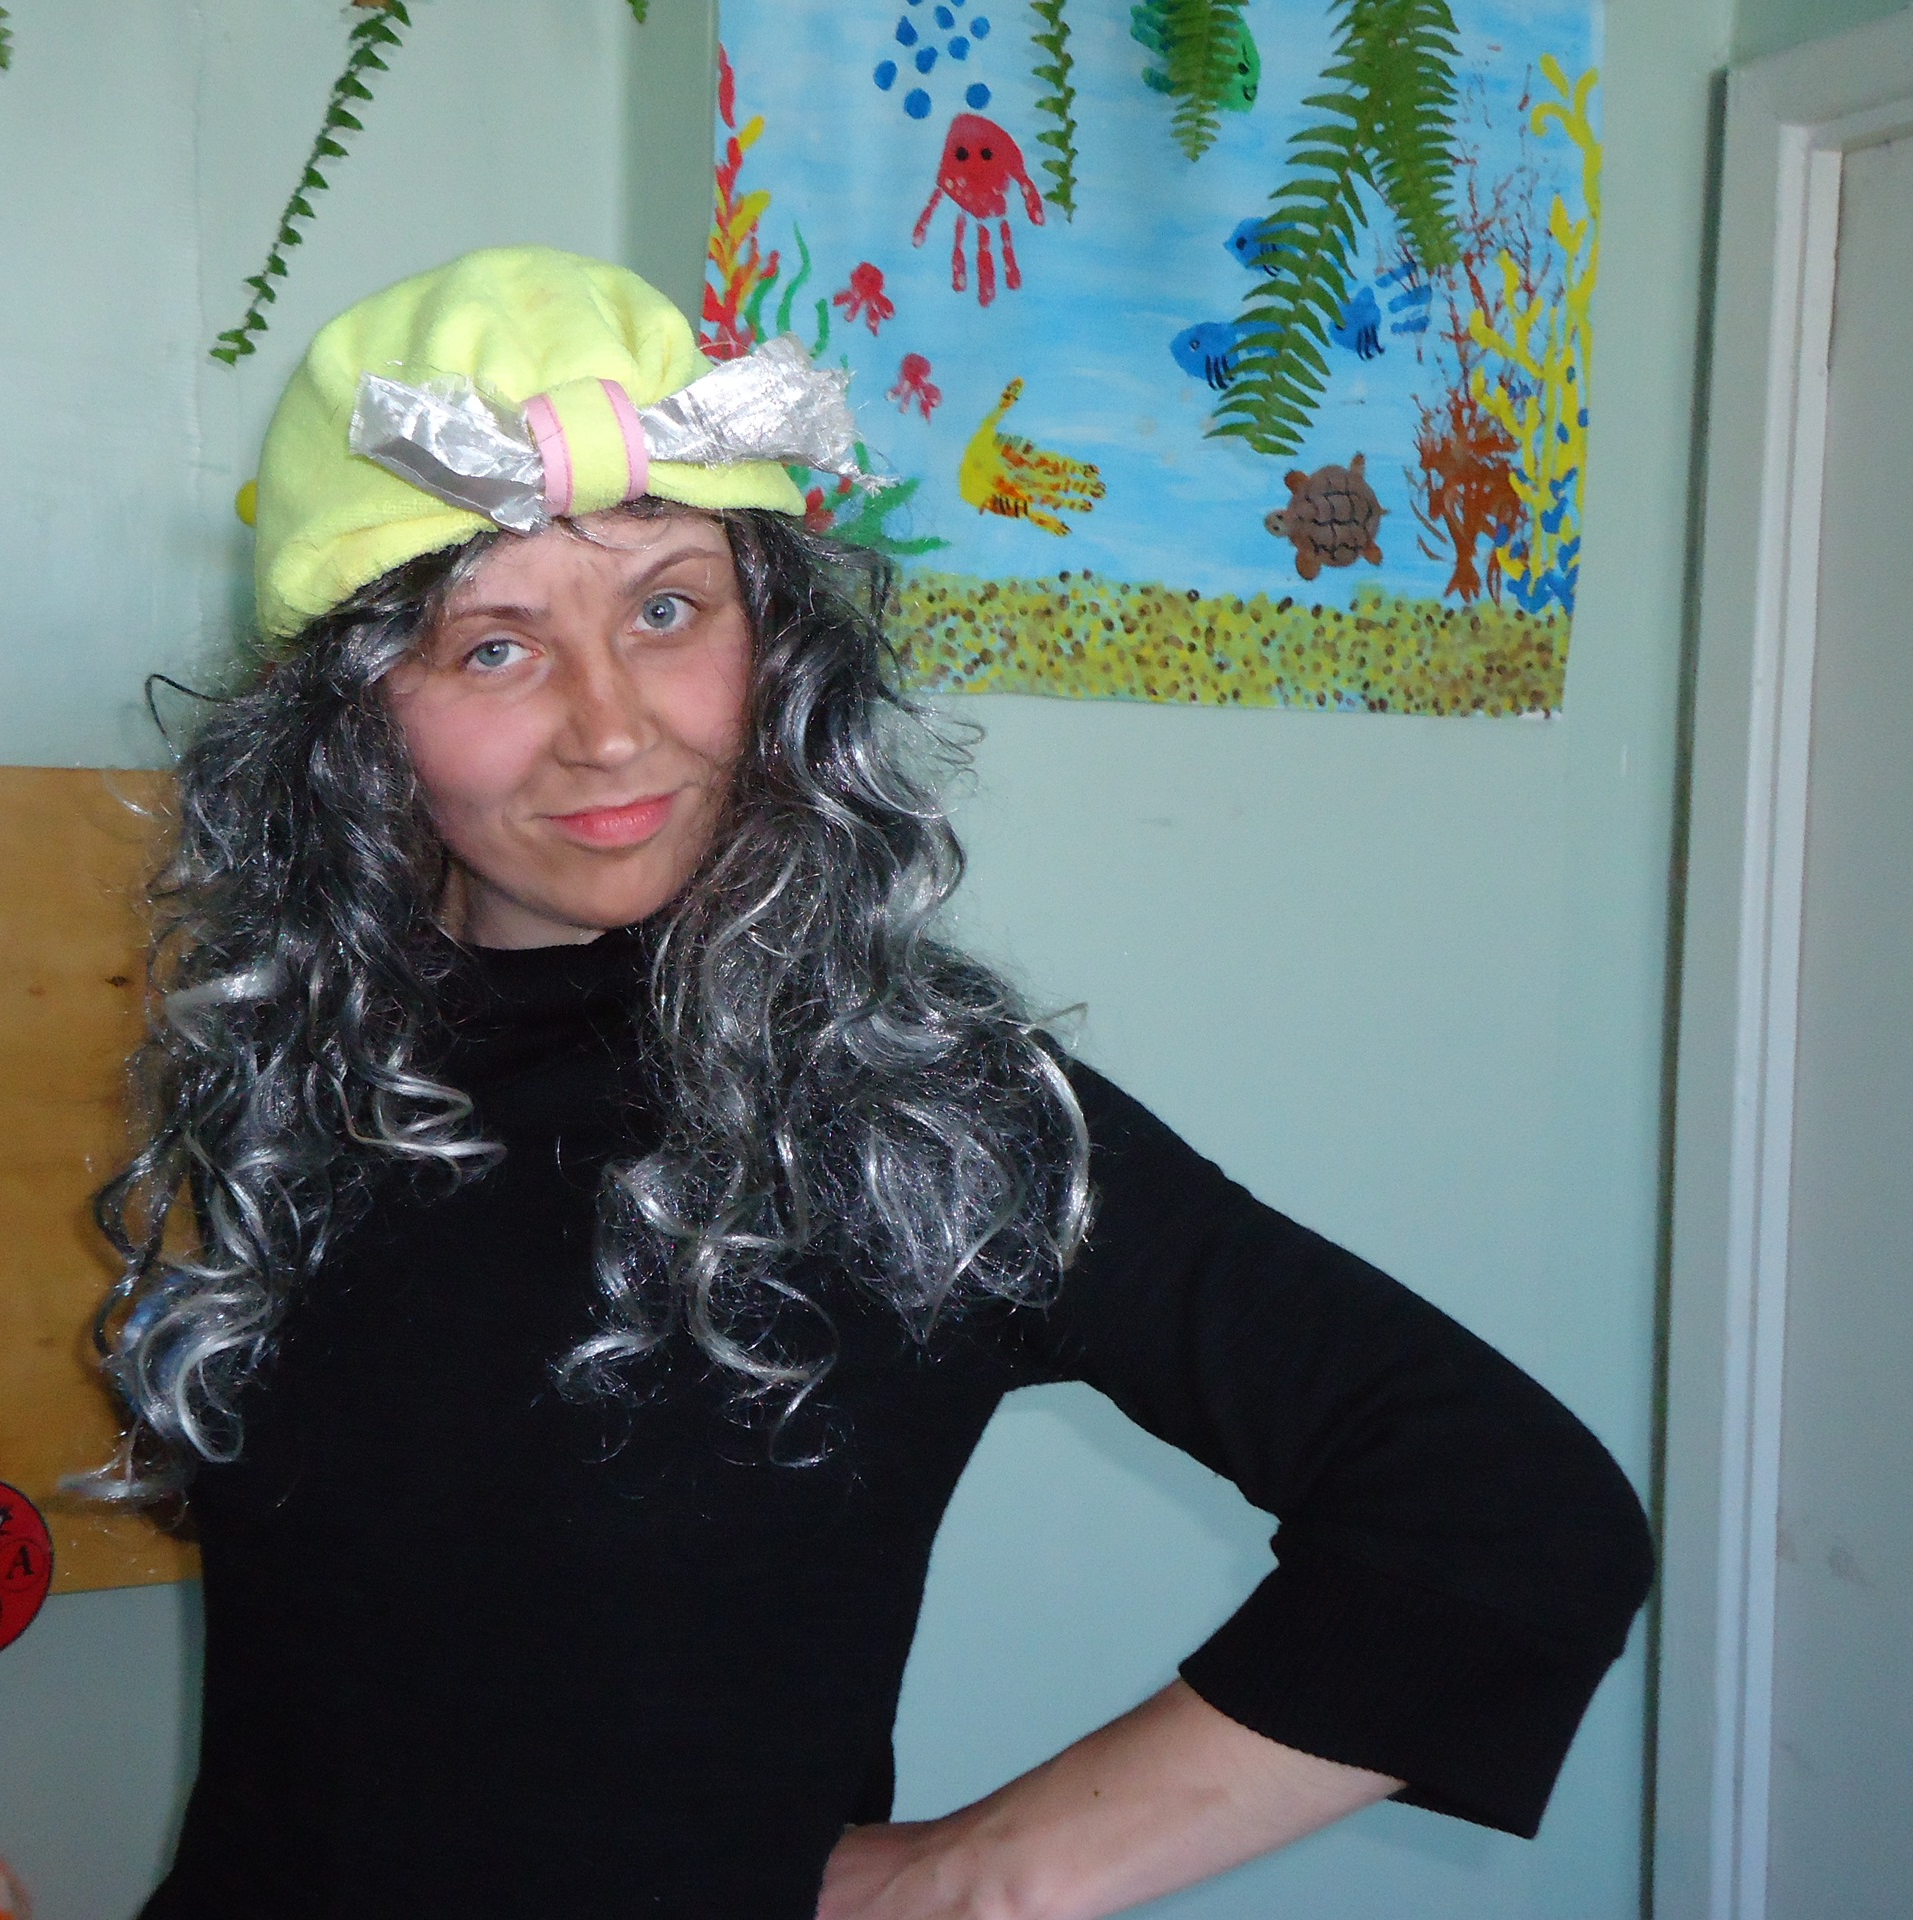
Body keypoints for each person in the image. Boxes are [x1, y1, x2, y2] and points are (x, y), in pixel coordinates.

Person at [96, 247, 1652, 1920]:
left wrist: (976, 1880)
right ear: (350, 720)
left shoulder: (916, 1113)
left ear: (776, 648)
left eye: (667, 610)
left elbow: (1507, 1516)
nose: (610, 728)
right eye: (492, 646)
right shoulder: (301, 1072)